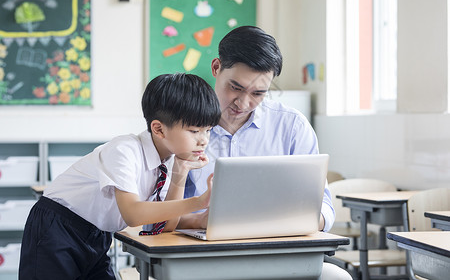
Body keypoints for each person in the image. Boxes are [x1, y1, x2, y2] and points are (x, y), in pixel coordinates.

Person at [178, 26, 352, 280]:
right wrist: (197, 220)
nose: (243, 103)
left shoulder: (291, 125)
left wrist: (294, 223)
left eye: (258, 93)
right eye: (235, 87)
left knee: (337, 278)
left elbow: (323, 206)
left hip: (277, 254)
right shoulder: (182, 126)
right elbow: (156, 213)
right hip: (202, 256)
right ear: (216, 68)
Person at [19, 73, 221, 280]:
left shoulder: (169, 159)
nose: (204, 140)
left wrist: (181, 172)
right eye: (195, 131)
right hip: (58, 226)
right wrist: (198, 201)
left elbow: (165, 225)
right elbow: (132, 214)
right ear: (159, 129)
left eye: (208, 130)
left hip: (97, 235)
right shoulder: (124, 150)